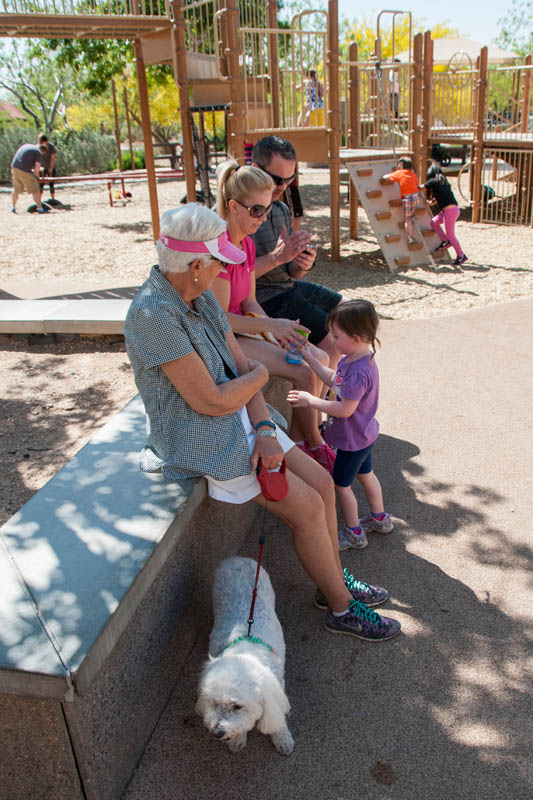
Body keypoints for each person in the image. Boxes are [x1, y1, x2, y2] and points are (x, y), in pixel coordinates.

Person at [123, 203, 401, 642]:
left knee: (324, 484)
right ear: (196, 265)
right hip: (200, 437)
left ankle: (332, 579)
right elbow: (214, 397)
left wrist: (267, 429)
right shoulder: (154, 314)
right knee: (308, 507)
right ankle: (341, 607)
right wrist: (259, 377)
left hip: (240, 419)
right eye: (217, 261)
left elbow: (239, 370)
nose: (223, 270)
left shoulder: (196, 295)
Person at [211, 160, 335, 471]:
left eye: (267, 210)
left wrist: (278, 331)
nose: (263, 218)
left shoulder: (247, 245)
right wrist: (271, 327)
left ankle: (303, 441)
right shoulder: (221, 249)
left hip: (243, 329)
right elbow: (218, 320)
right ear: (233, 206)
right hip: (223, 338)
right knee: (307, 371)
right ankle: (315, 447)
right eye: (257, 210)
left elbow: (250, 301)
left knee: (316, 355)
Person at [287, 299, 394, 551]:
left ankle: (354, 532)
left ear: (356, 337)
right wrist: (310, 358)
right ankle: (380, 518)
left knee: (341, 486)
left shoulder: (356, 370)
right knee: (367, 476)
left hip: (351, 441)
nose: (332, 341)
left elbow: (345, 408)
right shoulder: (358, 358)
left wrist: (311, 400)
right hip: (364, 435)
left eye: (336, 336)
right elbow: (337, 381)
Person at [251, 136, 343, 372]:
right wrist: (278, 258)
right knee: (331, 342)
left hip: (286, 287)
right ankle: (328, 404)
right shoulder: (243, 212)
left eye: (289, 179)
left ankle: (345, 393)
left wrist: (303, 263)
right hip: (264, 296)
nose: (282, 187)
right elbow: (236, 278)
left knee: (349, 312)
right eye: (276, 179)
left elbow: (291, 272)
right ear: (255, 169)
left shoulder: (281, 209)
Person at [422, 163, 468, 267]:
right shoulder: (443, 182)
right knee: (434, 222)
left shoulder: (434, 181)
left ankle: (461, 255)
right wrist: (431, 202)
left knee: (451, 234)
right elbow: (441, 198)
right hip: (451, 210)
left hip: (450, 212)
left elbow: (421, 187)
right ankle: (445, 241)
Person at [382, 157, 420, 245]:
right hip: (416, 197)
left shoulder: (399, 173)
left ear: (401, 165)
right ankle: (412, 216)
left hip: (408, 198)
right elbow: (416, 183)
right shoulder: (413, 174)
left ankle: (410, 237)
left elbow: (385, 177)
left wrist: (394, 172)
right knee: (411, 214)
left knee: (408, 219)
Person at [10, 142, 48, 213]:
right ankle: (40, 208)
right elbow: (37, 167)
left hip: (14, 167)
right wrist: (36, 175)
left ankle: (13, 207)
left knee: (16, 189)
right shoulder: (38, 152)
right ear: (42, 151)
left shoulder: (26, 145)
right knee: (35, 189)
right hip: (24, 170)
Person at [37, 133, 56, 202]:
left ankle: (53, 199)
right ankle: (39, 200)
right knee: (41, 184)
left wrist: (51, 168)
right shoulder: (37, 147)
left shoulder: (51, 147)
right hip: (41, 168)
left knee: (51, 183)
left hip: (49, 166)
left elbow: (53, 158)